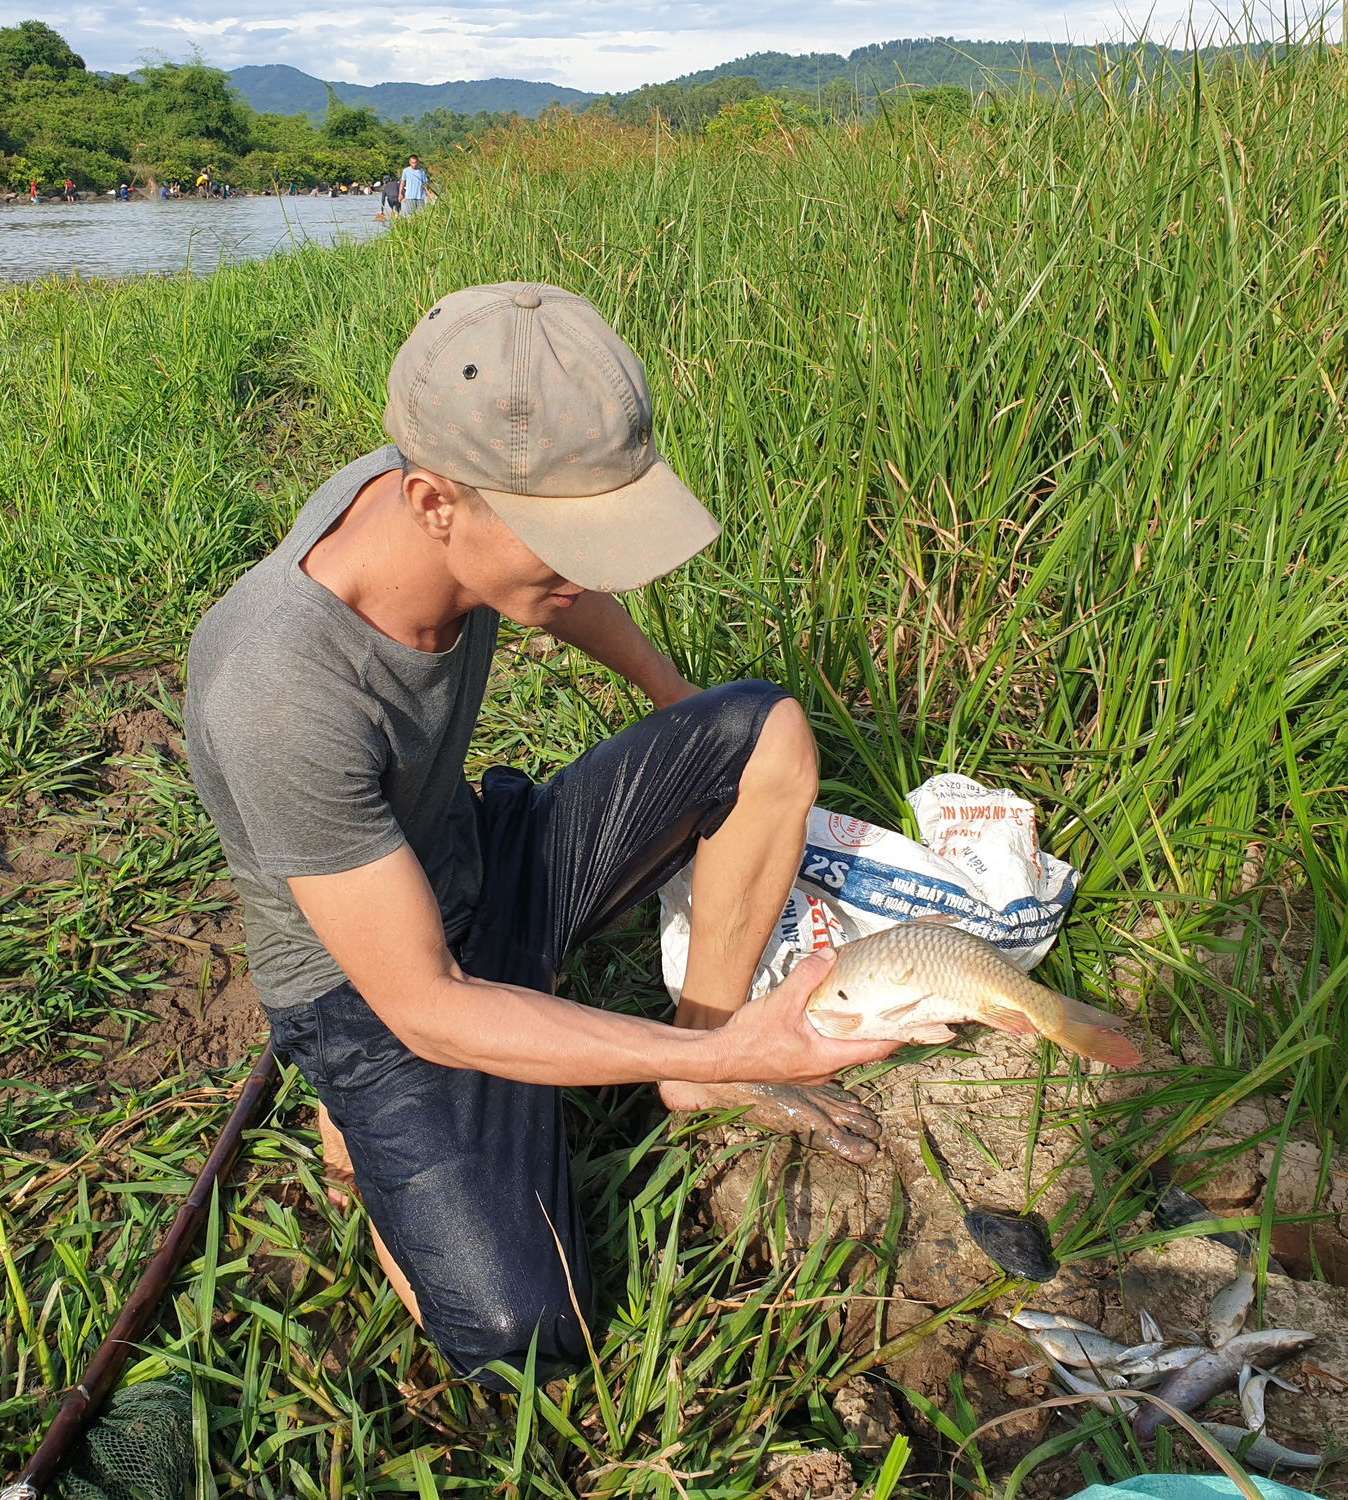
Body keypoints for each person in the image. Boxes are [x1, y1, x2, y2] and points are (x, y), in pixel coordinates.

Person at [183, 283, 897, 1390]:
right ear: (430, 501)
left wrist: (676, 709)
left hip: (484, 861)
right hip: (369, 990)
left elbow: (559, 595)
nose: (591, 568)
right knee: (524, 1339)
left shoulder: (443, 486)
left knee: (760, 732)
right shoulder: (276, 689)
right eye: (567, 541)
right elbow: (425, 1001)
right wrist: (731, 1044)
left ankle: (697, 1072)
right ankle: (359, 1115)